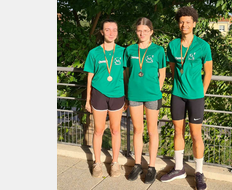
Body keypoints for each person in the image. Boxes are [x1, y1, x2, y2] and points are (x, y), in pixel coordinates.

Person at [160, 6, 213, 190]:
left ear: (194, 24)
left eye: (188, 22)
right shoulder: (173, 45)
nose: (184, 25)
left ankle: (199, 172)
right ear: (178, 23)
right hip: (178, 95)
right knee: (178, 131)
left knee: (196, 134)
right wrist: (180, 84)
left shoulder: (203, 46)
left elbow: (208, 72)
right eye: (182, 22)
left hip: (196, 97)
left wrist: (202, 91)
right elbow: (174, 68)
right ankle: (179, 168)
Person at [123, 17, 166, 184]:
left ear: (151, 32)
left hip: (152, 95)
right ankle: (138, 164)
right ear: (136, 32)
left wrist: (158, 90)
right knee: (137, 129)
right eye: (139, 31)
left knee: (152, 130)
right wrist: (127, 92)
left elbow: (162, 73)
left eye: (146, 31)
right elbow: (126, 73)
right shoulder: (130, 50)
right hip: (134, 95)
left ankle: (152, 166)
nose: (142, 33)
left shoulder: (158, 50)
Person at [83, 18, 127, 178]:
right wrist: (88, 99)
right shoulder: (94, 53)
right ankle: (97, 163)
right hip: (99, 94)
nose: (111, 33)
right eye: (107, 29)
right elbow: (90, 77)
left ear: (117, 32)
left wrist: (127, 97)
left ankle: (115, 163)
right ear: (102, 32)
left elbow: (126, 75)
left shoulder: (123, 52)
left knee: (115, 130)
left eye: (114, 30)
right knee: (98, 130)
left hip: (117, 95)